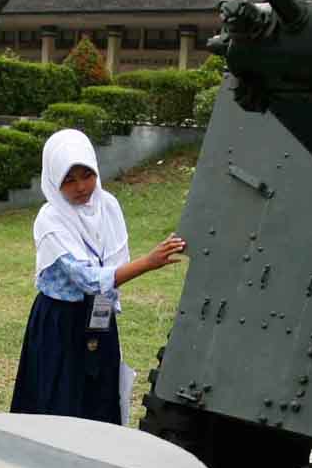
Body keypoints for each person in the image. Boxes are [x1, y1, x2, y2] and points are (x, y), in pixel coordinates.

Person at [10, 128, 185, 425]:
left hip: (99, 315)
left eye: (87, 174)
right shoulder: (50, 218)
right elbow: (88, 278)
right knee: (59, 401)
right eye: (69, 179)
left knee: (99, 398)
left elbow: (113, 264)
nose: (81, 186)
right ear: (54, 179)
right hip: (62, 321)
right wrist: (149, 262)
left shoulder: (108, 205)